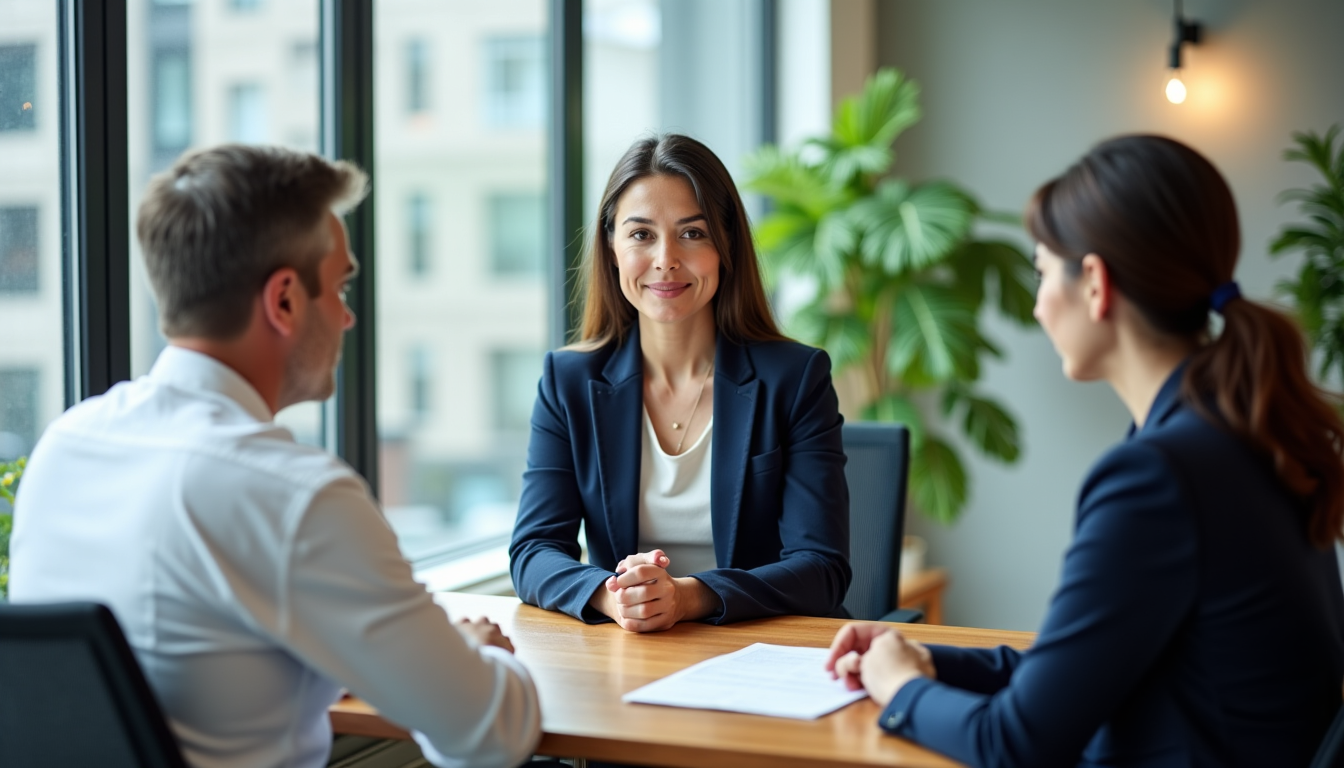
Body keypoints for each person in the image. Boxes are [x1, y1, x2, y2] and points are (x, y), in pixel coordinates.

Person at [10, 145, 541, 768]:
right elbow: (488, 735)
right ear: (285, 300)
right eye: (339, 286)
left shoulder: (65, 445)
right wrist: (485, 655)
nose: (346, 318)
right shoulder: (294, 495)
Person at [825, 135, 1344, 767]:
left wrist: (899, 687)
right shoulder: (1237, 432)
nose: (1040, 305)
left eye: (1042, 273)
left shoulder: (1160, 474)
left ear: (1095, 284)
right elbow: (1077, 667)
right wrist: (928, 658)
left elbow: (1013, 745)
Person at [509, 133, 851, 632]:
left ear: (725, 244)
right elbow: (533, 551)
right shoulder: (568, 382)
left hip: (767, 651)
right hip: (633, 654)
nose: (666, 258)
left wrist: (689, 597)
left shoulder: (795, 379)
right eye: (641, 234)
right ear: (612, 248)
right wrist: (613, 597)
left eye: (692, 233)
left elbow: (822, 568)